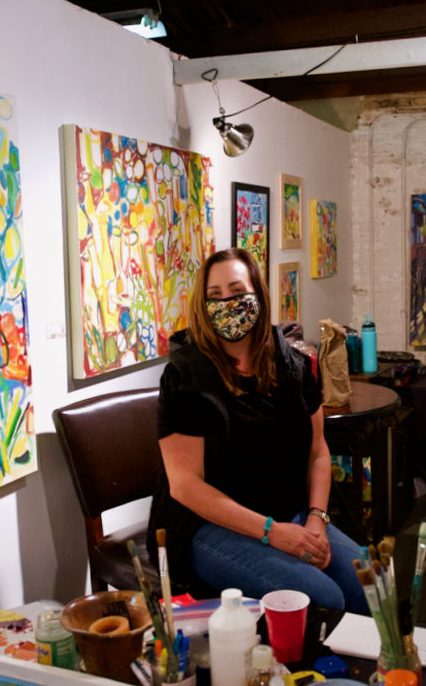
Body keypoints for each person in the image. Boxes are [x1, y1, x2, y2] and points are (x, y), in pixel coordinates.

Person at [146, 247, 369, 614]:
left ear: (257, 296)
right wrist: (270, 531)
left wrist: (317, 518)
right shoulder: (187, 378)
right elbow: (185, 485)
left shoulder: (294, 366)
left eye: (236, 292)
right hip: (205, 528)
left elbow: (318, 452)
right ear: (203, 306)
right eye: (215, 296)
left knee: (372, 588)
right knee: (324, 600)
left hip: (288, 513)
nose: (227, 303)